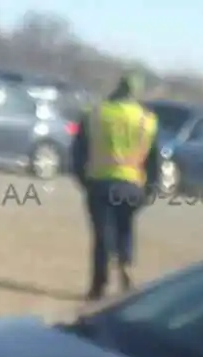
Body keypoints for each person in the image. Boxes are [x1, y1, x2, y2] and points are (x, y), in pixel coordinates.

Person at [71, 73, 158, 301]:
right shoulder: (146, 119)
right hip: (132, 185)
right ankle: (125, 263)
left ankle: (99, 285)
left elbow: (78, 153)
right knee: (126, 227)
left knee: (102, 236)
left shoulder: (95, 113)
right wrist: (149, 190)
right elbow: (154, 161)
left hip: (100, 183)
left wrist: (84, 181)